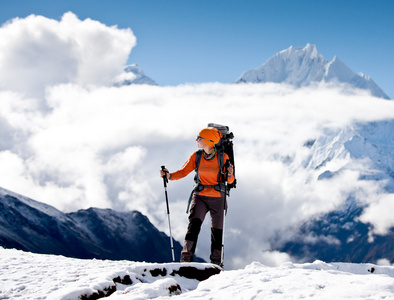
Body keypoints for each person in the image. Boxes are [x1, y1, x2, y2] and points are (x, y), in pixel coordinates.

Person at [160, 127, 234, 266]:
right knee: (193, 227)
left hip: (218, 197)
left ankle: (216, 264)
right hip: (200, 196)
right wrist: (169, 176)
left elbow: (229, 181)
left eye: (199, 138)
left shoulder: (223, 157)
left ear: (208, 141)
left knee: (217, 232)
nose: (197, 140)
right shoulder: (197, 156)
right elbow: (183, 172)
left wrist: (229, 175)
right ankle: (185, 260)